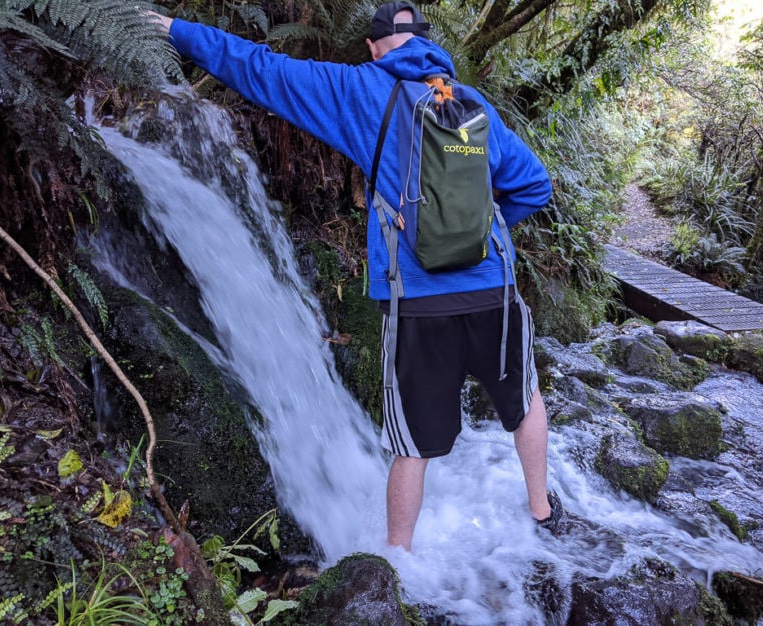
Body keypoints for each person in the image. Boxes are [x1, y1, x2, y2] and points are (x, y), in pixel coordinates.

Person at [149, 2, 561, 551]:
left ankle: (400, 564)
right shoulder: (471, 103)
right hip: (496, 290)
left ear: (372, 47)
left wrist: (175, 30)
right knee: (524, 396)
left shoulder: (359, 90)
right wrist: (486, 238)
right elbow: (535, 184)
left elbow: (260, 69)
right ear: (428, 43)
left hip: (418, 299)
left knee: (411, 441)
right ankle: (542, 511)